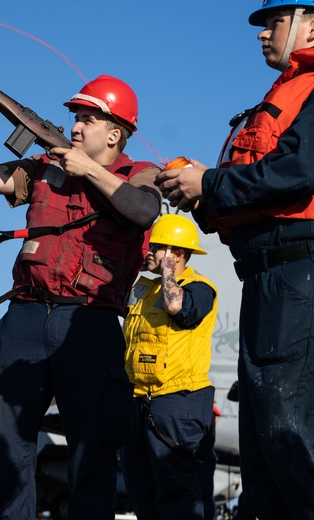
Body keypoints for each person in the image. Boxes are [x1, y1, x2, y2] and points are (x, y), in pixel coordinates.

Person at [156, 0, 314, 519]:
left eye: (273, 21)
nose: (260, 33)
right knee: (269, 461)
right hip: (279, 283)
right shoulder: (297, 91)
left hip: (313, 283)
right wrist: (201, 195)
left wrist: (210, 182)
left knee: (305, 447)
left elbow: (301, 170)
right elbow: (267, 195)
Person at [0, 72, 161, 519]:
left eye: (87, 119)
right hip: (25, 315)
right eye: (75, 119)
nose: (76, 127)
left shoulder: (139, 174)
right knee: (8, 444)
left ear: (114, 132)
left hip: (89, 322)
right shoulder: (46, 165)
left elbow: (145, 211)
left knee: (92, 448)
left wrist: (89, 171)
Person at [121, 213, 218, 520]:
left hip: (178, 402)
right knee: (142, 492)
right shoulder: (143, 290)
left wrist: (166, 270)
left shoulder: (201, 288)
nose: (149, 251)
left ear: (178, 253)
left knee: (178, 494)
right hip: (140, 403)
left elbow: (177, 307)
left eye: (157, 247)